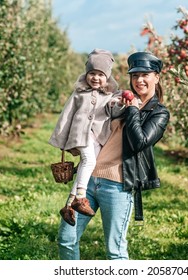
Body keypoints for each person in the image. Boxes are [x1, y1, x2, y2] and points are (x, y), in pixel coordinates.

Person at [57, 51, 170, 260]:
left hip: (117, 185)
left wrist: (133, 110)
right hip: (90, 180)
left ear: (157, 77)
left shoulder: (158, 113)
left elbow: (140, 142)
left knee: (115, 251)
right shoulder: (119, 99)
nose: (139, 80)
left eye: (145, 75)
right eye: (135, 75)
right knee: (66, 238)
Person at [49, 49, 123, 226]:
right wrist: (61, 139)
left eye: (100, 74)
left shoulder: (109, 96)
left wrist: (120, 104)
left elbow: (114, 111)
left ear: (107, 77)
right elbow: (66, 115)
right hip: (80, 135)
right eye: (92, 73)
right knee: (89, 161)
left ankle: (69, 206)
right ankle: (81, 197)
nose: (96, 78)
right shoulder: (79, 93)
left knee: (86, 164)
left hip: (98, 137)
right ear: (86, 74)